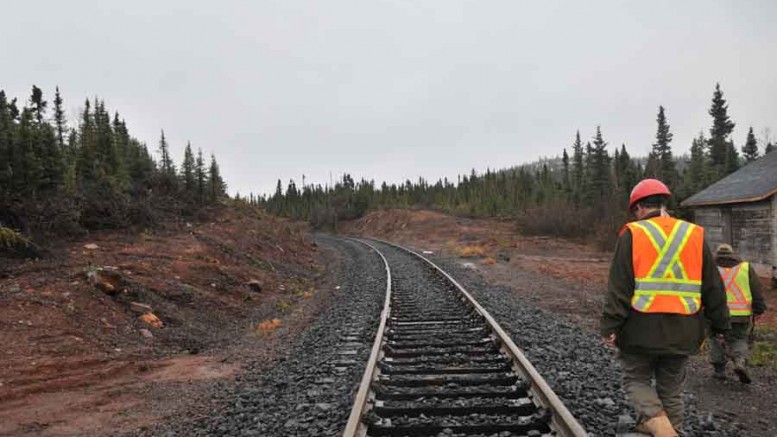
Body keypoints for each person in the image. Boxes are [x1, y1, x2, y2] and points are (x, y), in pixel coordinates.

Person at [600, 178, 730, 437]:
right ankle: (675, 431)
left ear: (638, 207)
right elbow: (713, 286)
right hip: (684, 331)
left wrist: (610, 326)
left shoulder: (633, 234)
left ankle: (659, 427)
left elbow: (619, 288)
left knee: (635, 380)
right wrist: (721, 325)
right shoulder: (694, 234)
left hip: (640, 329)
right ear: (663, 203)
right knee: (671, 389)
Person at [709, 244, 767, 383]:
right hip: (741, 314)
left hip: (716, 313)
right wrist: (759, 309)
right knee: (739, 339)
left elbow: (704, 289)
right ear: (733, 254)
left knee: (716, 339)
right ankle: (740, 361)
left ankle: (719, 370)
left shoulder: (710, 268)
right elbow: (756, 290)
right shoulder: (745, 268)